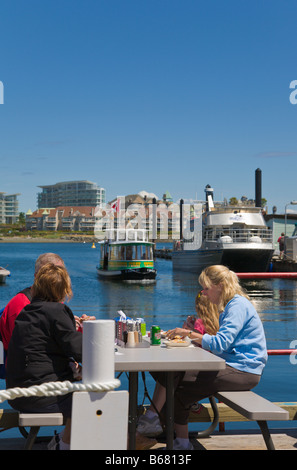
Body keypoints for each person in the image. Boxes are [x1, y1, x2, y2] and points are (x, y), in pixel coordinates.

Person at [161, 265, 267, 450]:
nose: (203, 293)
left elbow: (220, 344)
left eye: (206, 288)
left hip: (243, 371)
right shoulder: (233, 304)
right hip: (236, 366)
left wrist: (188, 333)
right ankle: (178, 439)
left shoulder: (237, 306)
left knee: (178, 390)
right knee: (176, 382)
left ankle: (180, 443)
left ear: (220, 285)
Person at [6, 263, 82, 450]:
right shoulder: (57, 311)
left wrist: (71, 368)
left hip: (19, 394)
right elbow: (80, 350)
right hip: (41, 397)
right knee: (96, 398)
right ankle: (64, 445)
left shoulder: (28, 311)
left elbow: (42, 353)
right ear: (63, 290)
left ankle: (64, 440)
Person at [136, 291, 220, 440]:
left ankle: (154, 418)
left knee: (169, 375)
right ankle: (157, 419)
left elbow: (196, 344)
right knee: (169, 376)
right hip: (203, 367)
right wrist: (188, 330)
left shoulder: (201, 323)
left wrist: (188, 331)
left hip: (201, 371)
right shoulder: (216, 323)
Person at [0, 252, 93, 353]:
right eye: (49, 274)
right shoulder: (22, 305)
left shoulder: (53, 302)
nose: (56, 278)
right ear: (37, 277)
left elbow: (63, 338)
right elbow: (26, 347)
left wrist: (79, 326)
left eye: (60, 274)